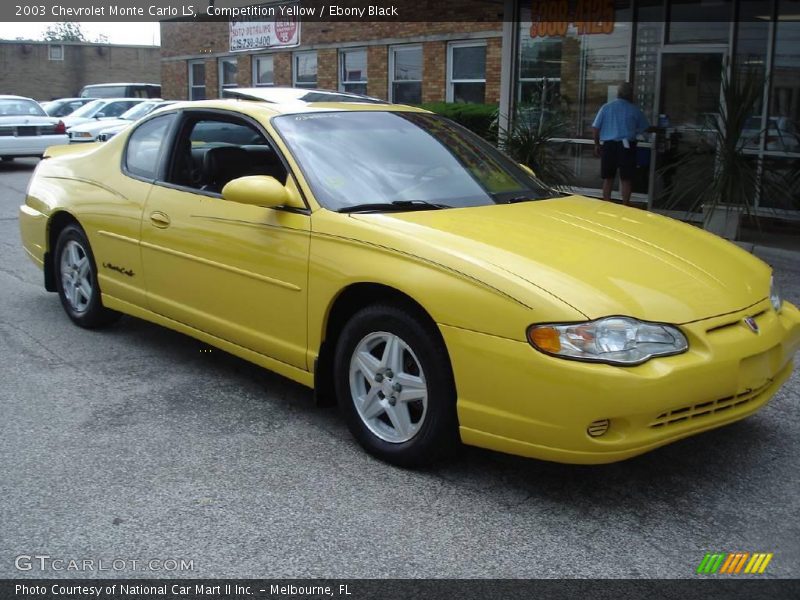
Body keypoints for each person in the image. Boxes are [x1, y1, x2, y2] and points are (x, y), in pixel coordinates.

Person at [592, 82, 652, 206]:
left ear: (618, 93)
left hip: (609, 146)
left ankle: (606, 203)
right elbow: (645, 128)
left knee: (608, 178)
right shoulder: (634, 109)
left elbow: (596, 128)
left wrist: (597, 144)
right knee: (626, 179)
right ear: (631, 94)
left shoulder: (606, 108)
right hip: (627, 146)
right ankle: (625, 204)